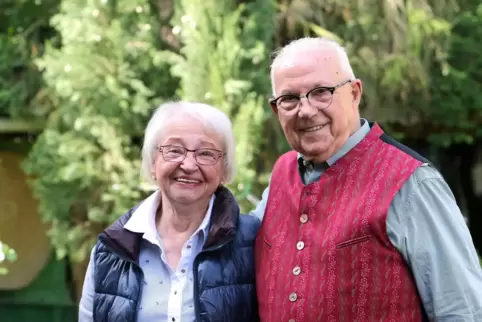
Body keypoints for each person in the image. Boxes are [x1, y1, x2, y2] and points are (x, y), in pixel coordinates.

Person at [251, 37, 482, 322]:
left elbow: (462, 311)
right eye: (289, 99)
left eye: (321, 92)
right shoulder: (279, 175)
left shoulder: (413, 182)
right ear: (276, 109)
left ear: (354, 93)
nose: (306, 110)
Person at [79, 101, 261, 322]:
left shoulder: (256, 243)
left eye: (205, 153)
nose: (189, 164)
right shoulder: (111, 250)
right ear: (153, 161)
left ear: (224, 169)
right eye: (174, 150)